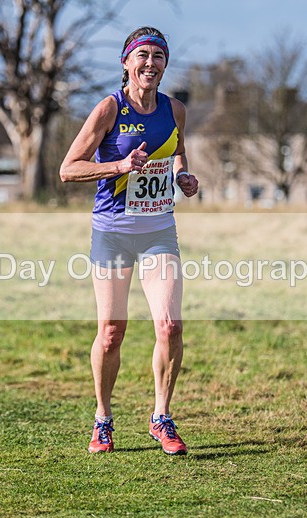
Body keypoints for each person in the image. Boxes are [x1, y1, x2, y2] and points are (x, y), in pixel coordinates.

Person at [59, 26, 199, 455]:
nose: (151, 63)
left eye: (159, 56)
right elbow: (68, 169)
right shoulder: (108, 109)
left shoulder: (175, 109)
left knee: (170, 325)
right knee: (111, 332)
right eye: (143, 55)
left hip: (158, 230)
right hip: (113, 232)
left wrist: (182, 176)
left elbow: (176, 150)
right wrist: (120, 166)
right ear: (126, 62)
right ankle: (103, 419)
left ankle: (162, 417)